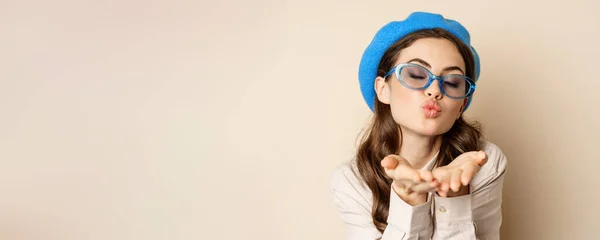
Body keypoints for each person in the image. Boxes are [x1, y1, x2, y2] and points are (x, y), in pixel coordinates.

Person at [330, 12, 508, 240]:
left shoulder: (485, 163)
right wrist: (409, 200)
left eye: (452, 82)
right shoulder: (352, 181)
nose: (434, 90)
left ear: (462, 104)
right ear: (383, 89)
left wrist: (454, 199)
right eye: (416, 74)